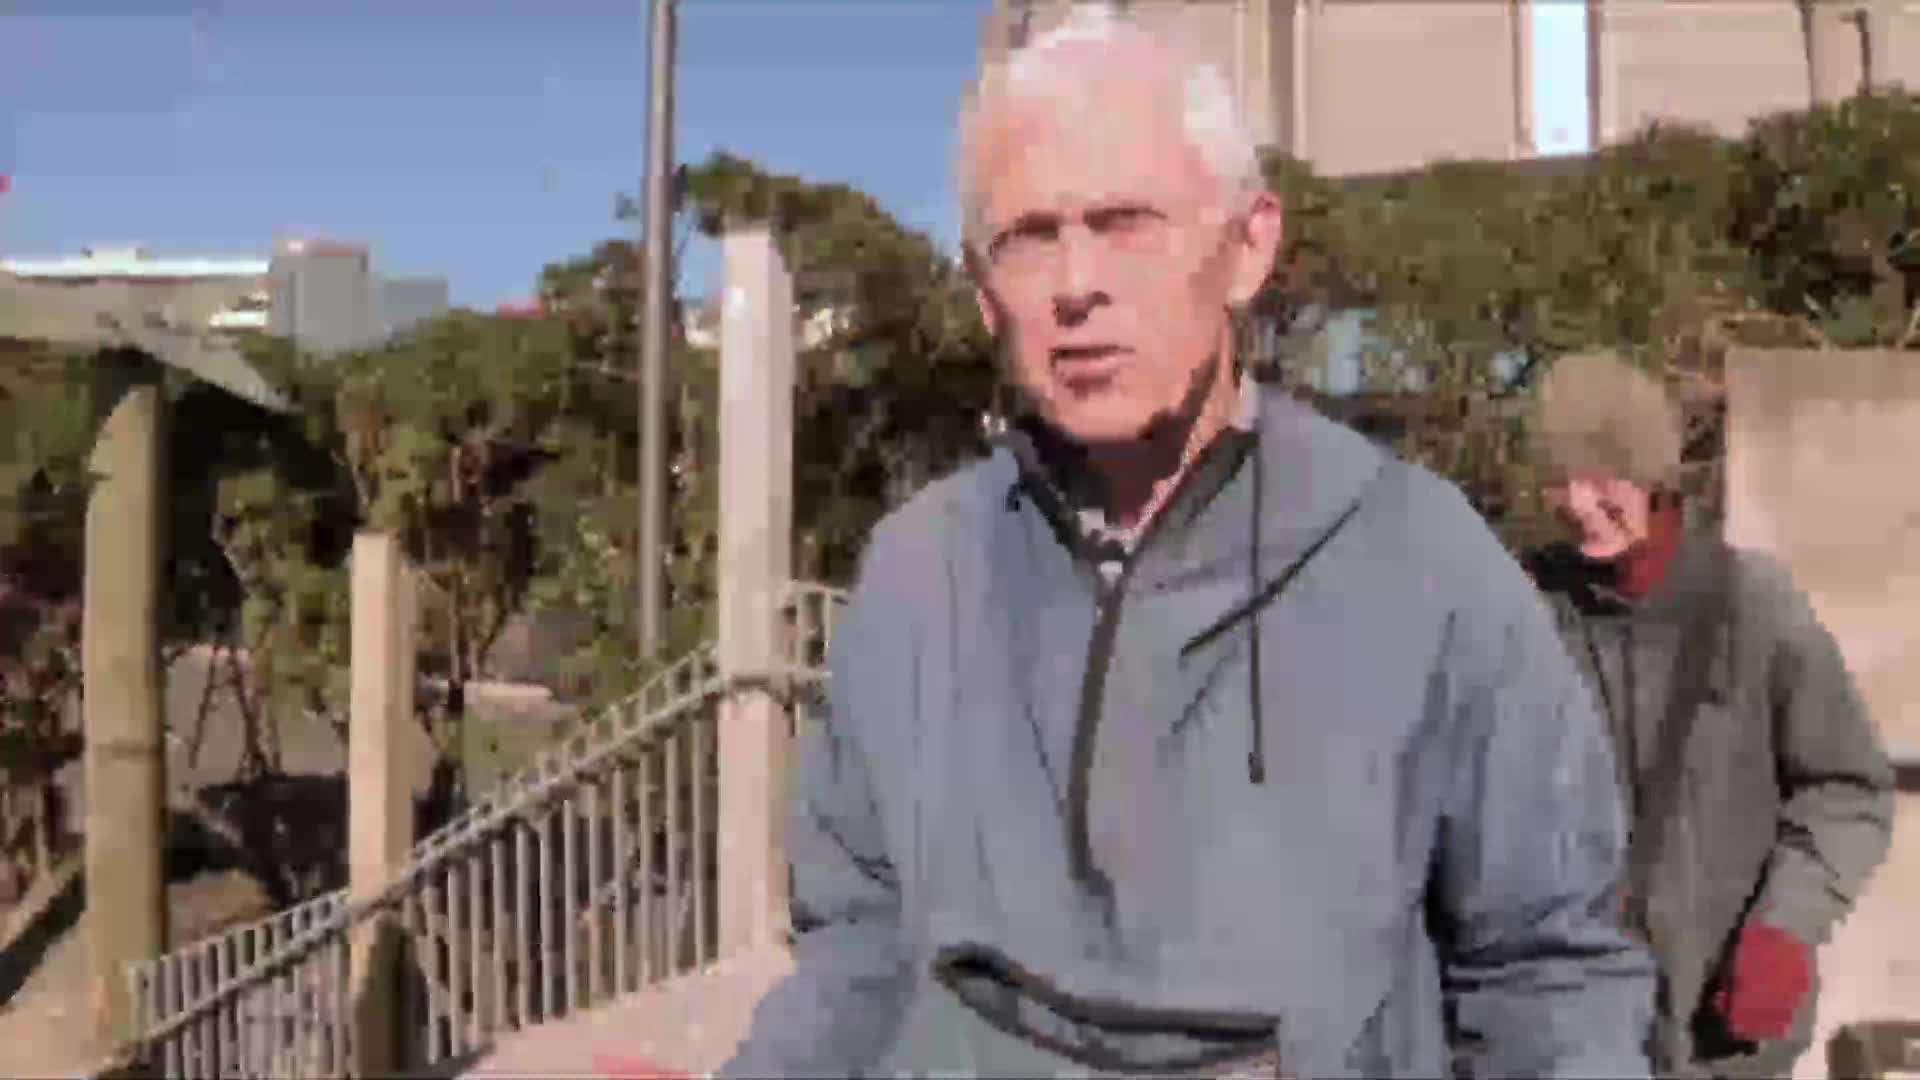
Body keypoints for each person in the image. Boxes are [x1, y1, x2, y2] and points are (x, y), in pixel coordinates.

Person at [713, 9, 1656, 1077]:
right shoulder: (917, 571)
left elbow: (1549, 976)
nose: (1076, 286)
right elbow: (853, 958)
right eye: (1030, 237)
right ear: (984, 295)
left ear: (1247, 246)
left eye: (1126, 223)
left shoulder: (1422, 559)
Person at [1522, 350, 1895, 1079]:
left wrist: (1785, 929)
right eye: (1557, 478)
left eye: (1604, 473)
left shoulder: (1753, 607)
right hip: (1574, 1040)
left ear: (1656, 470)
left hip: (1724, 1044)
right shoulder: (1526, 609)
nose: (1577, 500)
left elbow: (1848, 790)